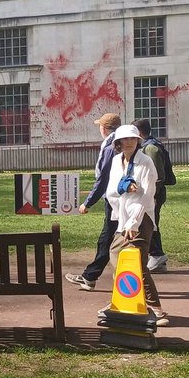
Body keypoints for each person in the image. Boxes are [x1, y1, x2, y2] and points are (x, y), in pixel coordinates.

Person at [105, 124, 168, 326]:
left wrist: (133, 223)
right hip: (123, 218)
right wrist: (124, 186)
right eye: (125, 139)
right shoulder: (116, 161)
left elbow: (147, 195)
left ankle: (156, 309)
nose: (130, 142)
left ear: (138, 141)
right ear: (119, 143)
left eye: (133, 139)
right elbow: (111, 192)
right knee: (115, 253)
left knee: (137, 262)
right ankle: (123, 301)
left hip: (142, 219)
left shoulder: (146, 162)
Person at [65, 112, 120, 291]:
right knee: (113, 238)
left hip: (116, 200)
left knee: (108, 239)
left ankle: (91, 277)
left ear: (104, 129)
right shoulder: (118, 143)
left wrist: (87, 203)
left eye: (100, 126)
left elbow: (103, 178)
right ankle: (91, 275)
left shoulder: (112, 146)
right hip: (120, 199)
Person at [134, 118, 171, 273]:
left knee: (150, 223)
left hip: (154, 194)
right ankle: (157, 258)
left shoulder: (150, 148)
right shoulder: (150, 145)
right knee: (151, 221)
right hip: (152, 193)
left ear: (139, 132)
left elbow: (157, 176)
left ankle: (157, 254)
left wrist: (153, 195)